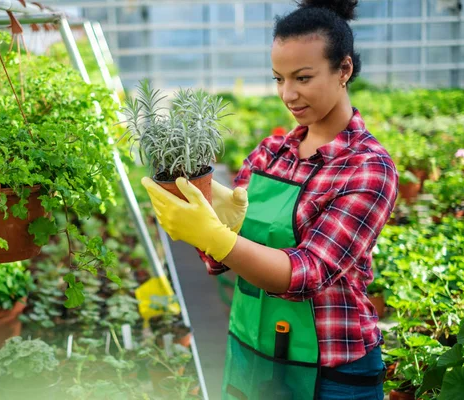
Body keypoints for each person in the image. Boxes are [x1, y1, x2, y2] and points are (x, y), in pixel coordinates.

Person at [141, 0, 398, 399]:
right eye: (278, 78)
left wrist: (217, 236)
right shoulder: (270, 153)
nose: (288, 94)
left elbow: (308, 273)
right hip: (252, 350)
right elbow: (219, 260)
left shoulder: (367, 168)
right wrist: (205, 222)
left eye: (303, 77)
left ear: (343, 69)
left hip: (332, 371)